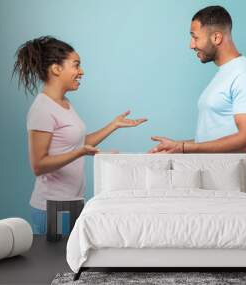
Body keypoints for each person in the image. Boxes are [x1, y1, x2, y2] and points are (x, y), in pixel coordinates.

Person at [13, 36, 147, 234]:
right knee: (58, 263)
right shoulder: (42, 108)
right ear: (56, 69)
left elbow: (76, 144)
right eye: (76, 65)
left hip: (72, 201)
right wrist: (81, 152)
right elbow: (39, 165)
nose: (81, 71)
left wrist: (113, 125)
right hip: (53, 205)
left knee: (71, 261)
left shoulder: (64, 103)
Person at [150, 6, 246, 194]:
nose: (191, 45)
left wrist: (184, 148)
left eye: (195, 37)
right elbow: (214, 137)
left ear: (216, 37)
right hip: (213, 187)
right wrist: (177, 147)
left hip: (234, 190)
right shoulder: (224, 74)